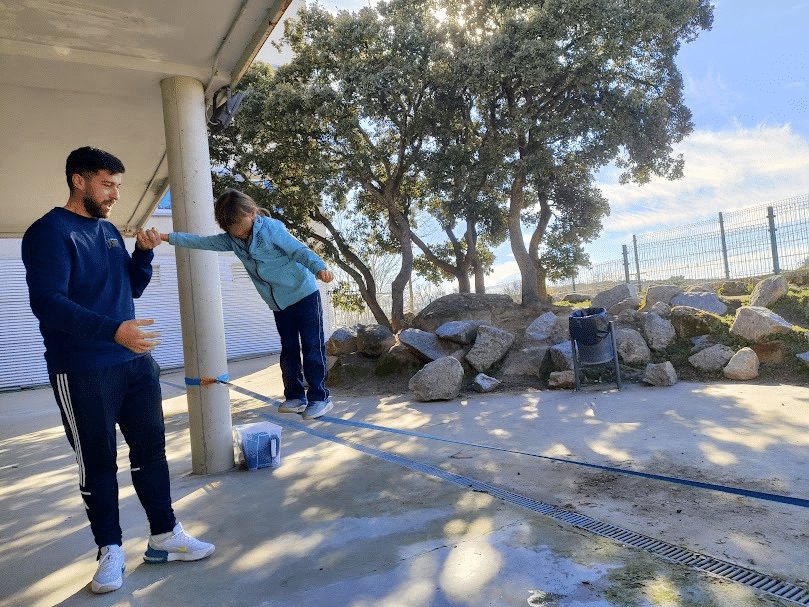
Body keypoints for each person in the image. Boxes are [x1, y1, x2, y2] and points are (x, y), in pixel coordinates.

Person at [21, 146, 215, 595]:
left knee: (152, 452)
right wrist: (114, 332)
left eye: (118, 187)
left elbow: (132, 288)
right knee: (97, 463)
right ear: (79, 180)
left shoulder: (108, 230)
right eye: (107, 184)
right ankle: (110, 550)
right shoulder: (48, 232)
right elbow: (47, 304)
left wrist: (143, 255)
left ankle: (165, 536)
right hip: (83, 368)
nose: (114, 195)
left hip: (134, 363)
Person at [158, 188, 335, 420]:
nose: (239, 235)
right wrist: (166, 238)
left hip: (303, 293)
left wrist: (319, 267)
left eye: (242, 229)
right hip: (279, 303)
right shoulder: (233, 240)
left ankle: (320, 398)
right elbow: (203, 242)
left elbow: (299, 250)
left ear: (252, 213)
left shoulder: (271, 229)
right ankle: (295, 397)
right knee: (289, 350)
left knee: (312, 346)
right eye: (233, 232)